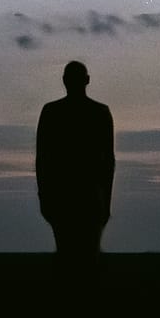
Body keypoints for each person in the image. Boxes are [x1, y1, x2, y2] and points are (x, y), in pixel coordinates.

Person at [35, 60, 115, 258]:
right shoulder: (100, 112)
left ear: (64, 80)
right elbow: (109, 162)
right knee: (88, 256)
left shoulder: (51, 112)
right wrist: (106, 201)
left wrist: (43, 196)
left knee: (67, 254)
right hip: (88, 195)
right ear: (87, 80)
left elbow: (42, 160)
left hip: (63, 195)